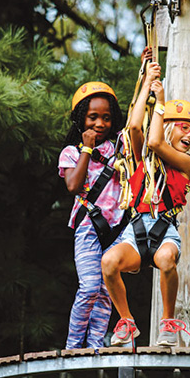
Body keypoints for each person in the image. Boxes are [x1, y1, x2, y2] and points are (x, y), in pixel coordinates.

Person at [101, 65, 190, 348]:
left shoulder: (187, 164)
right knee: (109, 263)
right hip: (135, 231)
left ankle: (168, 322)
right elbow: (134, 127)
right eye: (185, 128)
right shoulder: (140, 160)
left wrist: (160, 101)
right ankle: (126, 322)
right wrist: (147, 83)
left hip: (164, 231)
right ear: (170, 125)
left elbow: (156, 141)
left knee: (167, 260)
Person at [57, 80, 128, 349]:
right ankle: (74, 346)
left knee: (106, 292)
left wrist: (148, 77)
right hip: (89, 226)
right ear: (81, 119)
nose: (100, 123)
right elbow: (73, 186)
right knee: (89, 287)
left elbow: (136, 120)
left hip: (116, 230)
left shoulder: (118, 148)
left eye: (107, 118)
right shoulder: (72, 152)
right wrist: (86, 148)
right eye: (93, 117)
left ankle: (96, 344)